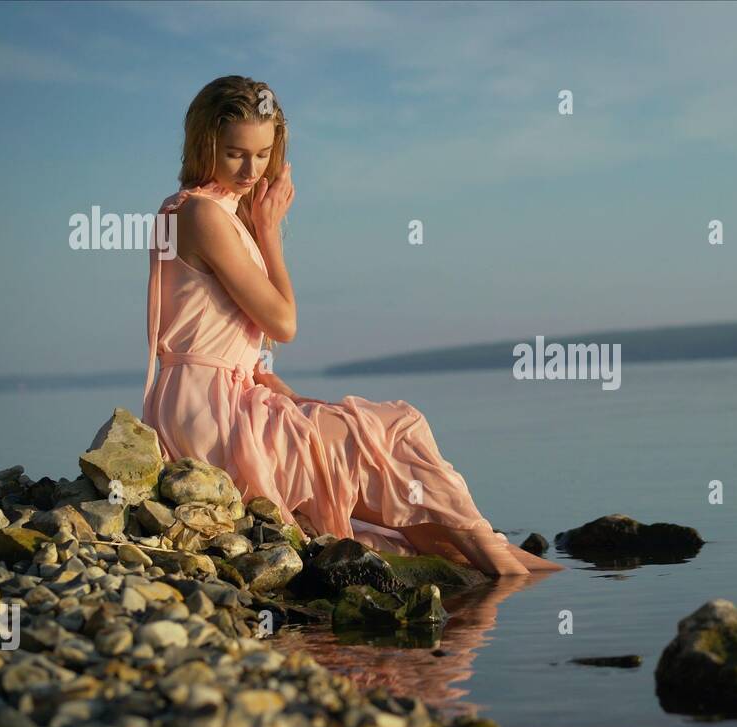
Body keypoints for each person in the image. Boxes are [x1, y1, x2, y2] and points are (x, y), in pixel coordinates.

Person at [142, 75, 562, 577]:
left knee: (397, 529)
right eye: (236, 154)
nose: (252, 170)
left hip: (207, 400)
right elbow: (282, 321)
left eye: (263, 154)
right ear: (204, 143)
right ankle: (513, 572)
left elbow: (226, 330)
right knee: (394, 432)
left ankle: (509, 564)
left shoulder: (198, 210)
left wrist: (273, 386)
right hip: (210, 412)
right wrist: (270, 233)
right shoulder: (204, 214)